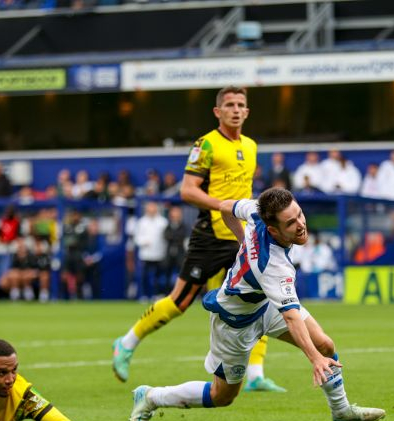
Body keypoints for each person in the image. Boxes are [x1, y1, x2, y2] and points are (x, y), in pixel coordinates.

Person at [127, 188, 385, 421]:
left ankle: (341, 411)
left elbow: (225, 207)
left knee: (325, 344)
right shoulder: (273, 266)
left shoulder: (255, 210)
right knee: (222, 396)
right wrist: (314, 359)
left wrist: (243, 241)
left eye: (299, 214)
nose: (301, 224)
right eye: (291, 223)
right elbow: (291, 317)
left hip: (264, 304)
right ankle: (151, 396)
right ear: (273, 230)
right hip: (235, 322)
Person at [112, 86, 284, 392]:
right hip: (210, 235)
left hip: (241, 235)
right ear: (218, 111)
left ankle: (256, 375)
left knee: (260, 295)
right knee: (180, 301)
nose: (235, 109)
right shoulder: (206, 144)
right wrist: (222, 205)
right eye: (229, 105)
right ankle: (126, 343)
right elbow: (187, 190)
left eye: (240, 105)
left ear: (247, 111)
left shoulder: (251, 146)